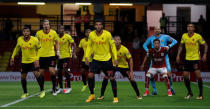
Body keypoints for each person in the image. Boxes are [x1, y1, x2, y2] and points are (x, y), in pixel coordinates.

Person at [98, 35, 142, 100]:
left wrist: (131, 72)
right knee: (106, 77)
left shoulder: (124, 49)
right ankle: (102, 95)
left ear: (120, 41)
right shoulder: (110, 49)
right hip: (113, 66)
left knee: (131, 79)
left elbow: (130, 59)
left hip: (123, 66)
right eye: (115, 40)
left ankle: (138, 94)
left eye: (118, 39)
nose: (116, 41)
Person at [85, 19, 119, 103]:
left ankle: (115, 97)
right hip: (96, 59)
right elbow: (89, 46)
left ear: (102, 26)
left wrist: (115, 58)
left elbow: (113, 47)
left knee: (111, 77)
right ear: (94, 26)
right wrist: (86, 57)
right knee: (90, 75)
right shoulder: (91, 34)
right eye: (96, 24)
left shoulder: (108, 34)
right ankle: (92, 95)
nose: (98, 26)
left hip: (107, 59)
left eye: (100, 24)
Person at [142, 26, 177, 95]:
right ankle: (155, 90)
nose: (157, 30)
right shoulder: (151, 38)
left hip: (165, 58)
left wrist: (169, 46)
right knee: (150, 76)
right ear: (154, 31)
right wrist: (147, 51)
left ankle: (171, 88)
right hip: (154, 59)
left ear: (160, 30)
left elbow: (175, 41)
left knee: (169, 74)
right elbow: (144, 45)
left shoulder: (166, 37)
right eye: (155, 29)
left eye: (158, 29)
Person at [176, 23, 208, 100]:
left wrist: (204, 54)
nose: (189, 28)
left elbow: (205, 45)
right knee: (185, 76)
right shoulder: (184, 36)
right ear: (187, 28)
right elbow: (181, 46)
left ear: (194, 28)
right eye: (188, 26)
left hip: (195, 59)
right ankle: (190, 93)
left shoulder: (198, 36)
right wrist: (178, 55)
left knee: (198, 76)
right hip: (187, 59)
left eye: (191, 27)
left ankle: (200, 94)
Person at [10, 27, 44, 98]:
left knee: (37, 74)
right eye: (24, 31)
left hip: (33, 61)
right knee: (23, 77)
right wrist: (12, 57)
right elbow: (16, 48)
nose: (25, 33)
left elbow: (40, 49)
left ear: (29, 33)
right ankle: (25, 93)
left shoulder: (34, 39)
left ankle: (42, 91)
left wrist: (37, 59)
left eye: (27, 31)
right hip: (24, 61)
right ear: (23, 33)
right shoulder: (19, 39)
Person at [36, 19, 60, 96]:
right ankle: (42, 89)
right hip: (41, 56)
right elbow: (35, 43)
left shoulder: (53, 33)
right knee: (41, 73)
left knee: (52, 71)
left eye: (47, 24)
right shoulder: (38, 33)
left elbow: (57, 42)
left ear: (49, 25)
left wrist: (58, 51)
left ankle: (54, 88)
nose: (46, 26)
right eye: (44, 24)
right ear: (42, 25)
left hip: (51, 55)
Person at [56, 25, 76, 94]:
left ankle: (69, 87)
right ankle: (61, 88)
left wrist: (74, 53)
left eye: (61, 28)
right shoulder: (56, 37)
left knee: (66, 71)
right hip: (59, 57)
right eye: (59, 28)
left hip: (66, 57)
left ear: (63, 30)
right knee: (59, 72)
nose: (60, 29)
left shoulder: (67, 36)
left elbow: (74, 44)